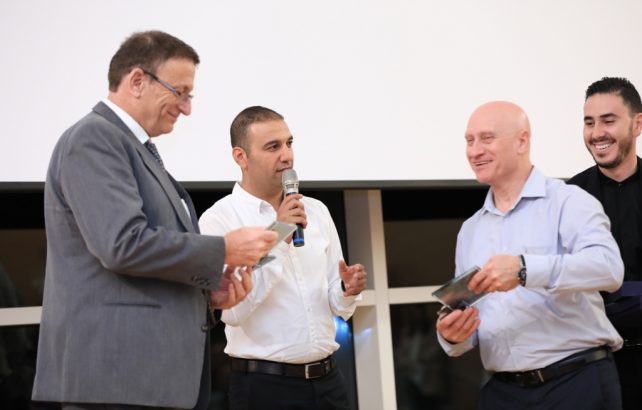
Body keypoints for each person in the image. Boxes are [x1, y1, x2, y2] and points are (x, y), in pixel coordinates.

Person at [31, 31, 277, 410]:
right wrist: (223, 249)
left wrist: (207, 293)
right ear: (137, 81)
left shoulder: (135, 148)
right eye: (180, 92)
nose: (186, 108)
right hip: (116, 380)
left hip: (141, 380)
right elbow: (122, 244)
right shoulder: (94, 138)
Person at [436, 101, 624, 410]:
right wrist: (453, 335)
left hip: (575, 383)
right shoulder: (470, 230)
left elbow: (608, 269)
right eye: (469, 141)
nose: (475, 151)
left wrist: (525, 270)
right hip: (503, 393)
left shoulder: (569, 201)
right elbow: (472, 318)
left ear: (522, 141)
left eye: (487, 138)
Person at [199, 106, 367, 410]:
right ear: (241, 157)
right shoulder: (219, 220)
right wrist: (278, 236)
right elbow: (233, 312)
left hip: (329, 382)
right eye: (273, 147)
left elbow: (338, 306)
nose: (287, 156)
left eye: (289, 143)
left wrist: (346, 290)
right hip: (264, 388)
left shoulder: (316, 211)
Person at [567, 76, 642, 410]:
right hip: (591, 367)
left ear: (637, 124)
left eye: (608, 121)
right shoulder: (567, 198)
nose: (596, 133)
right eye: (589, 122)